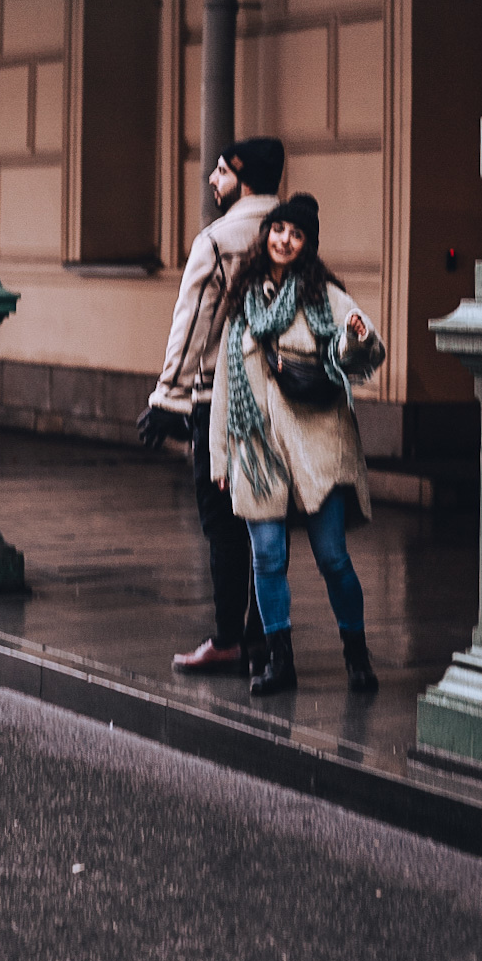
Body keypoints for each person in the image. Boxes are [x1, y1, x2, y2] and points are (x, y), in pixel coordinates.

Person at [211, 192, 383, 698]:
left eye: (296, 234)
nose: (284, 240)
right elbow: (226, 381)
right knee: (266, 557)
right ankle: (278, 659)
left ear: (307, 245)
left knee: (332, 557)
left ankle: (357, 652)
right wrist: (221, 454)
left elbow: (366, 351)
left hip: (318, 443)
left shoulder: (324, 296)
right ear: (266, 235)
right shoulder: (245, 302)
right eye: (278, 229)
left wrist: (354, 336)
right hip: (258, 446)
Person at [137, 136, 285, 674]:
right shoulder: (293, 234)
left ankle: (227, 639)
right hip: (280, 401)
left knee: (222, 521)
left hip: (221, 402)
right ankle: (262, 634)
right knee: (266, 519)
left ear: (242, 178)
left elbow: (195, 323)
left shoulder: (219, 239)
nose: (212, 181)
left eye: (219, 171)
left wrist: (167, 398)